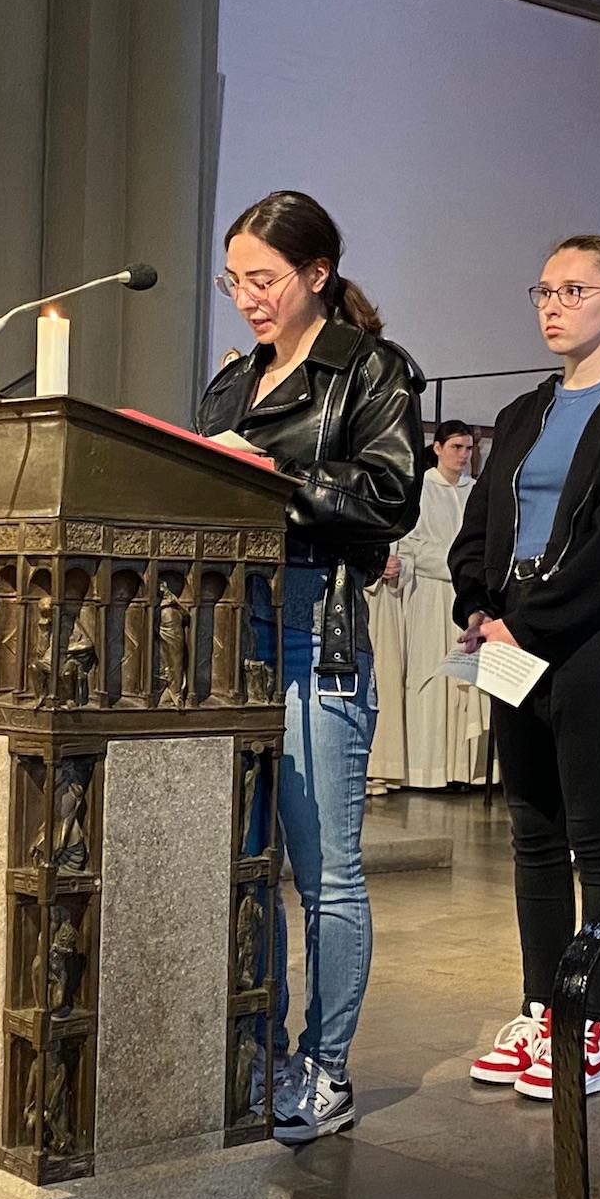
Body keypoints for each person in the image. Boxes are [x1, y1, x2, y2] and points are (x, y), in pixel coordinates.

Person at [197, 190, 423, 1144]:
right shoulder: (230, 380)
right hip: (219, 632)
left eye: (264, 278)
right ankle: (258, 1051)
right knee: (244, 866)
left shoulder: (370, 370)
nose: (246, 297)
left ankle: (325, 1069)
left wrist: (273, 478)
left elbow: (389, 496)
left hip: (310, 631)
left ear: (317, 275)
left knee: (326, 874)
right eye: (234, 280)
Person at [450, 236, 600, 1100]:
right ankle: (544, 1012)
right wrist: (479, 610)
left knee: (598, 839)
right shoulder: (523, 411)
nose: (552, 304)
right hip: (514, 643)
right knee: (533, 838)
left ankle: (594, 1029)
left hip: (597, 646)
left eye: (573, 289)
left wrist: (526, 624)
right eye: (543, 289)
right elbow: (479, 531)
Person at [368, 421, 484, 794]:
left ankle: (465, 771)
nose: (463, 456)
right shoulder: (421, 490)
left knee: (466, 683)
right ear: (437, 448)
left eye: (468, 449)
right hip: (430, 596)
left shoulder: (476, 492)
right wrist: (454, 565)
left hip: (467, 596)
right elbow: (409, 546)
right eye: (457, 448)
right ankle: (427, 768)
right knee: (431, 681)